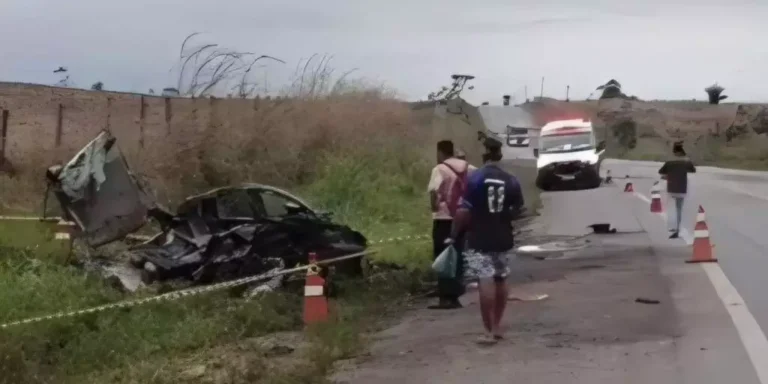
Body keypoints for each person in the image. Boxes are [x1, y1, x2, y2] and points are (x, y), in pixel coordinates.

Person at [447, 137, 524, 345]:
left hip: (479, 237)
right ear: (499, 155)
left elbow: (464, 211)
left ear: (484, 155)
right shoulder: (511, 180)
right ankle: (498, 326)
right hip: (503, 237)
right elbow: (518, 210)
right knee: (501, 279)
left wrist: (453, 234)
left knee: (485, 279)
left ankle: (488, 330)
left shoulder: (475, 179)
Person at [427, 140, 471, 309]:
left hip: (444, 218)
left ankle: (446, 297)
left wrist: (434, 208)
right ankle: (457, 293)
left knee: (443, 257)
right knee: (458, 254)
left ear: (440, 152)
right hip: (462, 217)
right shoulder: (468, 167)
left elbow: (433, 191)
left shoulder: (439, 169)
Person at [658, 141, 696, 239]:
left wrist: (668, 174)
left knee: (671, 208)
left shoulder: (670, 161)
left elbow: (661, 171)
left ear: (674, 151)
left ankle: (672, 227)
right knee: (679, 208)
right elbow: (693, 170)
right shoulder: (686, 161)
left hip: (671, 187)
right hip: (682, 187)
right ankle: (678, 228)